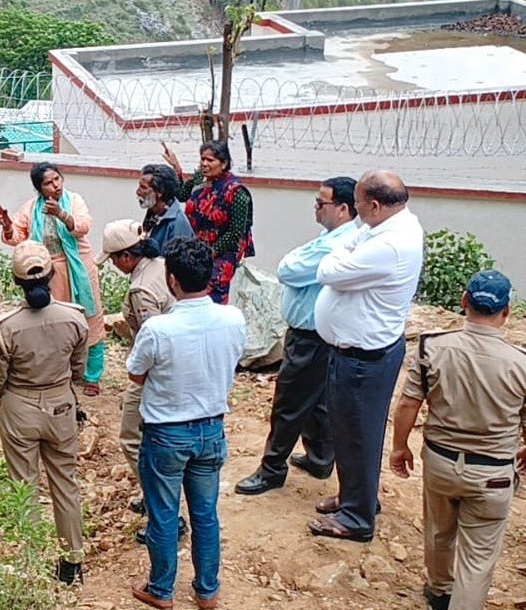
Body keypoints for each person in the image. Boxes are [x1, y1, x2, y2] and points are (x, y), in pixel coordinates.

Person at [389, 271, 526, 610]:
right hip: (492, 473)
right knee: (477, 561)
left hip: (441, 462)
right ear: (507, 311)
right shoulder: (525, 364)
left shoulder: (433, 347)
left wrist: (399, 447)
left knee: (438, 529)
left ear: (464, 301)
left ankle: (440, 591)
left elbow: (408, 403)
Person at [127, 237, 245, 610]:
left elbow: (136, 375)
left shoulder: (158, 329)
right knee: (206, 514)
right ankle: (207, 589)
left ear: (172, 280)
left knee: (163, 514)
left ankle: (161, 588)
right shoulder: (233, 319)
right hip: (211, 429)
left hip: (167, 433)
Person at [307, 170, 423, 542]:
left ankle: (357, 518)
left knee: (358, 434)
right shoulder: (389, 225)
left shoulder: (389, 244)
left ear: (374, 205)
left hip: (363, 358)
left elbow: (326, 270)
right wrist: (349, 246)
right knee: (350, 430)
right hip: (360, 353)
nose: (354, 214)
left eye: (357, 206)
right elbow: (352, 242)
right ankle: (354, 496)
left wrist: (341, 249)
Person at [236, 176, 360, 495]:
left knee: (288, 403)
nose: (315, 207)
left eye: (321, 202)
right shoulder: (335, 236)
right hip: (318, 334)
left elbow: (287, 270)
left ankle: (272, 469)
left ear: (343, 208)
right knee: (317, 399)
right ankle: (320, 458)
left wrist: (291, 259)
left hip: (310, 337)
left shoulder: (335, 244)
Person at [0, 241, 90, 584]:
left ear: (16, 282)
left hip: (20, 407)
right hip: (61, 405)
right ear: (52, 273)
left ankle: (31, 563)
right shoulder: (74, 318)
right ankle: (72, 563)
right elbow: (79, 369)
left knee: (24, 486)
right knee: (65, 484)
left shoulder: (7, 327)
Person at [0, 162, 107, 396]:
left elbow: (83, 226)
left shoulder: (74, 200)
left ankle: (92, 376)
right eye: (48, 183)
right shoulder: (31, 208)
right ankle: (62, 370)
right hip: (49, 272)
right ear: (39, 188)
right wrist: (7, 226)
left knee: (90, 318)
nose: (55, 185)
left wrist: (61, 214)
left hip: (79, 268)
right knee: (55, 320)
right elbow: (19, 238)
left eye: (57, 179)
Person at [99, 220, 175, 494]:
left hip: (155, 370)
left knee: (131, 437)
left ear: (127, 256)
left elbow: (152, 339)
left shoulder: (141, 289)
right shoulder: (162, 265)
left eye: (113, 259)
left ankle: (157, 499)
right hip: (177, 363)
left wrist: (140, 380)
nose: (113, 265)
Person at [164, 141, 254, 304]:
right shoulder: (200, 179)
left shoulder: (236, 192)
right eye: (202, 159)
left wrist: (210, 253)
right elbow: (182, 195)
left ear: (224, 163)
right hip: (198, 246)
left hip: (222, 251)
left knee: (210, 294)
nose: (204, 164)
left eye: (210, 160)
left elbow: (235, 233)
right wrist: (177, 168)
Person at [138, 163, 194, 252]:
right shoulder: (154, 213)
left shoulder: (177, 223)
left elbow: (178, 259)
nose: (138, 192)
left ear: (160, 192)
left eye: (143, 188)